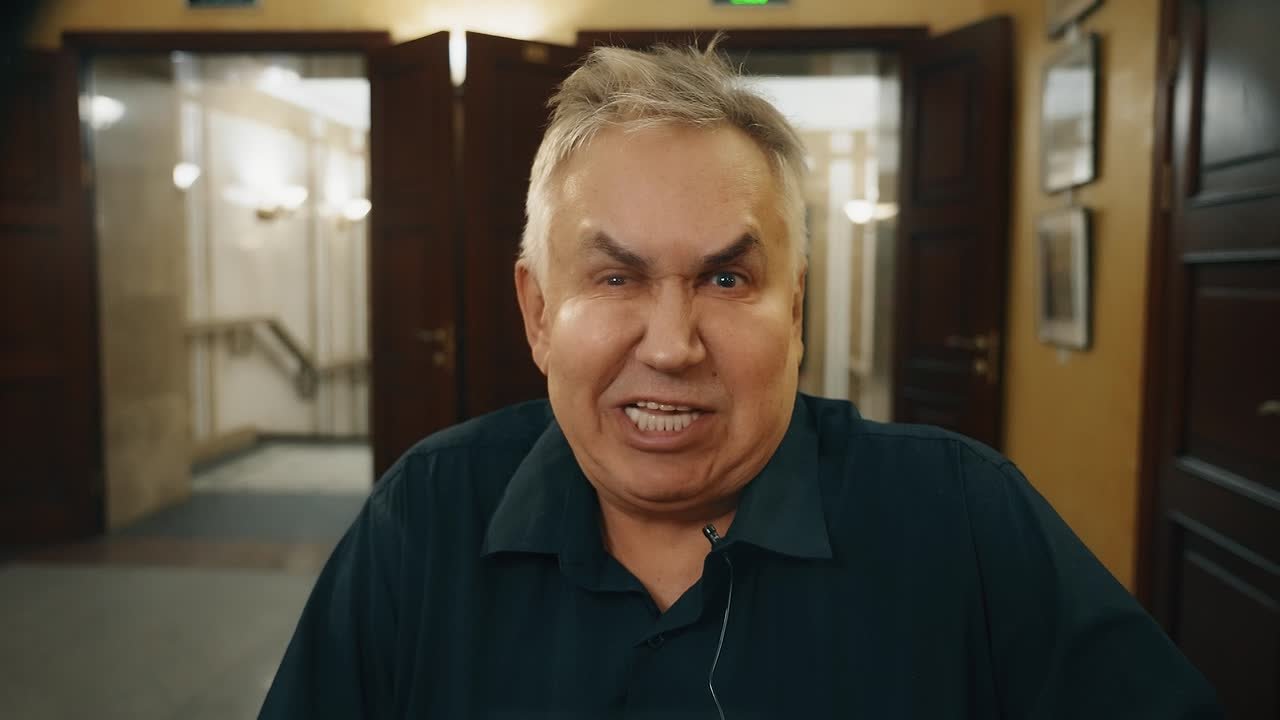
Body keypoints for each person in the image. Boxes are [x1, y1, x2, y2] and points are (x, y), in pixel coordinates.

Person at [259, 39, 1220, 719]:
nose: (672, 345)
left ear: (794, 311)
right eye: (615, 278)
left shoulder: (964, 517)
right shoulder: (425, 515)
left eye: (726, 279)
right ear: (538, 313)